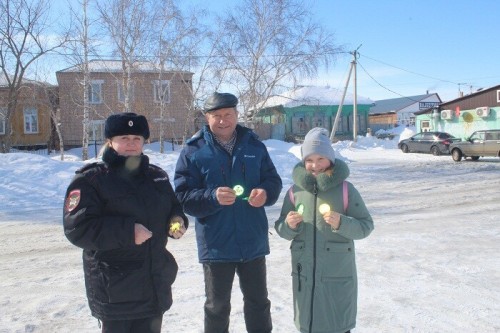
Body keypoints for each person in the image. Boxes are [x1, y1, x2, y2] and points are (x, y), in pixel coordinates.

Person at [63, 112, 188, 333]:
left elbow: (173, 208)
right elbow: (78, 228)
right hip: (115, 290)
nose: (131, 144)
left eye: (137, 139)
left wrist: (177, 221)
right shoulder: (91, 179)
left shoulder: (156, 177)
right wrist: (128, 232)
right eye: (124, 138)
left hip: (153, 285)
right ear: (110, 142)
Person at [174, 92, 282, 333]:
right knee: (217, 307)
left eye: (228, 115)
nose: (223, 120)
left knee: (258, 303)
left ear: (236, 114)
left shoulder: (254, 145)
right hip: (216, 244)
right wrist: (212, 197)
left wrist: (265, 192)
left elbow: (273, 180)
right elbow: (183, 197)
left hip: (252, 240)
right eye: (217, 116)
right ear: (206, 117)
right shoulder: (193, 151)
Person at [274, 127, 374, 333]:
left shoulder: (346, 190)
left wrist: (342, 223)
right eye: (310, 159)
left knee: (336, 323)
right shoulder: (295, 192)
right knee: (308, 323)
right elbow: (281, 228)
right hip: (304, 275)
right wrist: (289, 226)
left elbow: (365, 226)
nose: (315, 165)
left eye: (321, 159)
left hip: (337, 274)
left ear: (331, 159)